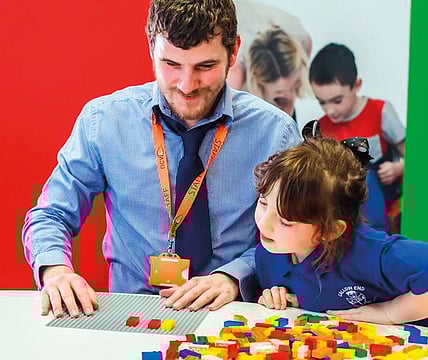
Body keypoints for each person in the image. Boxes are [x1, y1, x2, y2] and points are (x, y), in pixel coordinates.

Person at [21, 0, 301, 319]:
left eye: (205, 67)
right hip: (130, 313)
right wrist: (56, 271)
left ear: (233, 52)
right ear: (151, 47)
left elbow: (299, 235)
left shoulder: (275, 132)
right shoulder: (104, 121)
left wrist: (234, 276)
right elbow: (52, 213)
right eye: (171, 64)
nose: (186, 85)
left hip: (233, 314)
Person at [253, 137, 428, 326]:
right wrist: (275, 295)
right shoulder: (270, 248)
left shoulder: (371, 253)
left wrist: (390, 313)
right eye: (263, 203)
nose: (264, 223)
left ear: (331, 230)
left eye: (286, 221)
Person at [305, 43, 405, 232]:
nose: (330, 110)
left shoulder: (380, 111)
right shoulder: (322, 126)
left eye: (337, 101)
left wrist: (399, 168)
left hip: (381, 207)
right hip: (341, 212)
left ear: (356, 85)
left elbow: (412, 156)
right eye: (322, 102)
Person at [227, 0, 312, 120]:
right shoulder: (235, 73)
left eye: (293, 85)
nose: (287, 93)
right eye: (278, 94)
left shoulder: (301, 38)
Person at [243, 27, 311, 120]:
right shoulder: (237, 85)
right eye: (279, 92)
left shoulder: (304, 42)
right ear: (258, 81)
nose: (289, 95)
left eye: (293, 86)